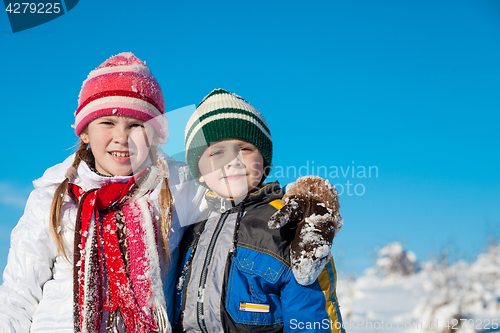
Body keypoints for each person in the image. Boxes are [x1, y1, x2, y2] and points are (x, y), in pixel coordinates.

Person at [0, 54, 340, 333]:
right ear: (85, 132)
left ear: (156, 136)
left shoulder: (173, 187)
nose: (122, 137)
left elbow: (233, 183)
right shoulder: (53, 197)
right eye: (107, 123)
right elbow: (17, 297)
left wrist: (312, 200)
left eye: (136, 125)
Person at [174, 89, 345, 332]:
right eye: (217, 152)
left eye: (244, 149)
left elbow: (311, 316)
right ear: (198, 171)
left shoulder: (290, 221)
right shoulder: (187, 222)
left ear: (264, 163)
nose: (233, 160)